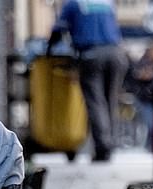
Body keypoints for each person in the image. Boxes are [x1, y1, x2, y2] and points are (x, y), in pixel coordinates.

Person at [47, 0, 128, 162]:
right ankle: (110, 144)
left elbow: (59, 29)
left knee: (96, 102)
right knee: (110, 101)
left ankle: (103, 147)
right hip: (116, 54)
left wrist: (49, 49)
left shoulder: (73, 3)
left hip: (91, 55)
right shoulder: (107, 3)